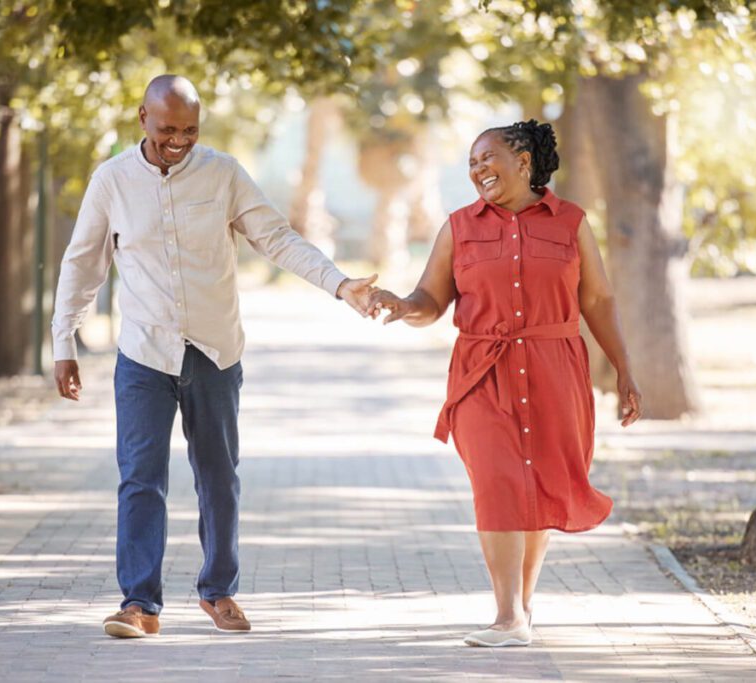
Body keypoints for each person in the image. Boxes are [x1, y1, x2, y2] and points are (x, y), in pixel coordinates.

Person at [51, 75, 376, 639]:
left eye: (190, 130)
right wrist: (64, 343)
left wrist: (340, 284)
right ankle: (139, 604)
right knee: (140, 480)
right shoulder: (112, 181)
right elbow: (82, 266)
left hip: (214, 351)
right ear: (142, 118)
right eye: (167, 129)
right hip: (144, 353)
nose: (178, 140)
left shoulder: (222, 173)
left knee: (219, 478)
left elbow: (276, 237)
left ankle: (219, 592)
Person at [367, 119, 642, 647]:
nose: (477, 170)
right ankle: (507, 617)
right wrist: (403, 307)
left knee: (536, 487)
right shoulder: (459, 226)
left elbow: (599, 301)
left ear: (523, 160)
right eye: (471, 163)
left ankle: (521, 609)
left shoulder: (570, 222)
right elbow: (431, 299)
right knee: (498, 483)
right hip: (480, 373)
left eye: (486, 158)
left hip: (555, 370)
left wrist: (625, 370)